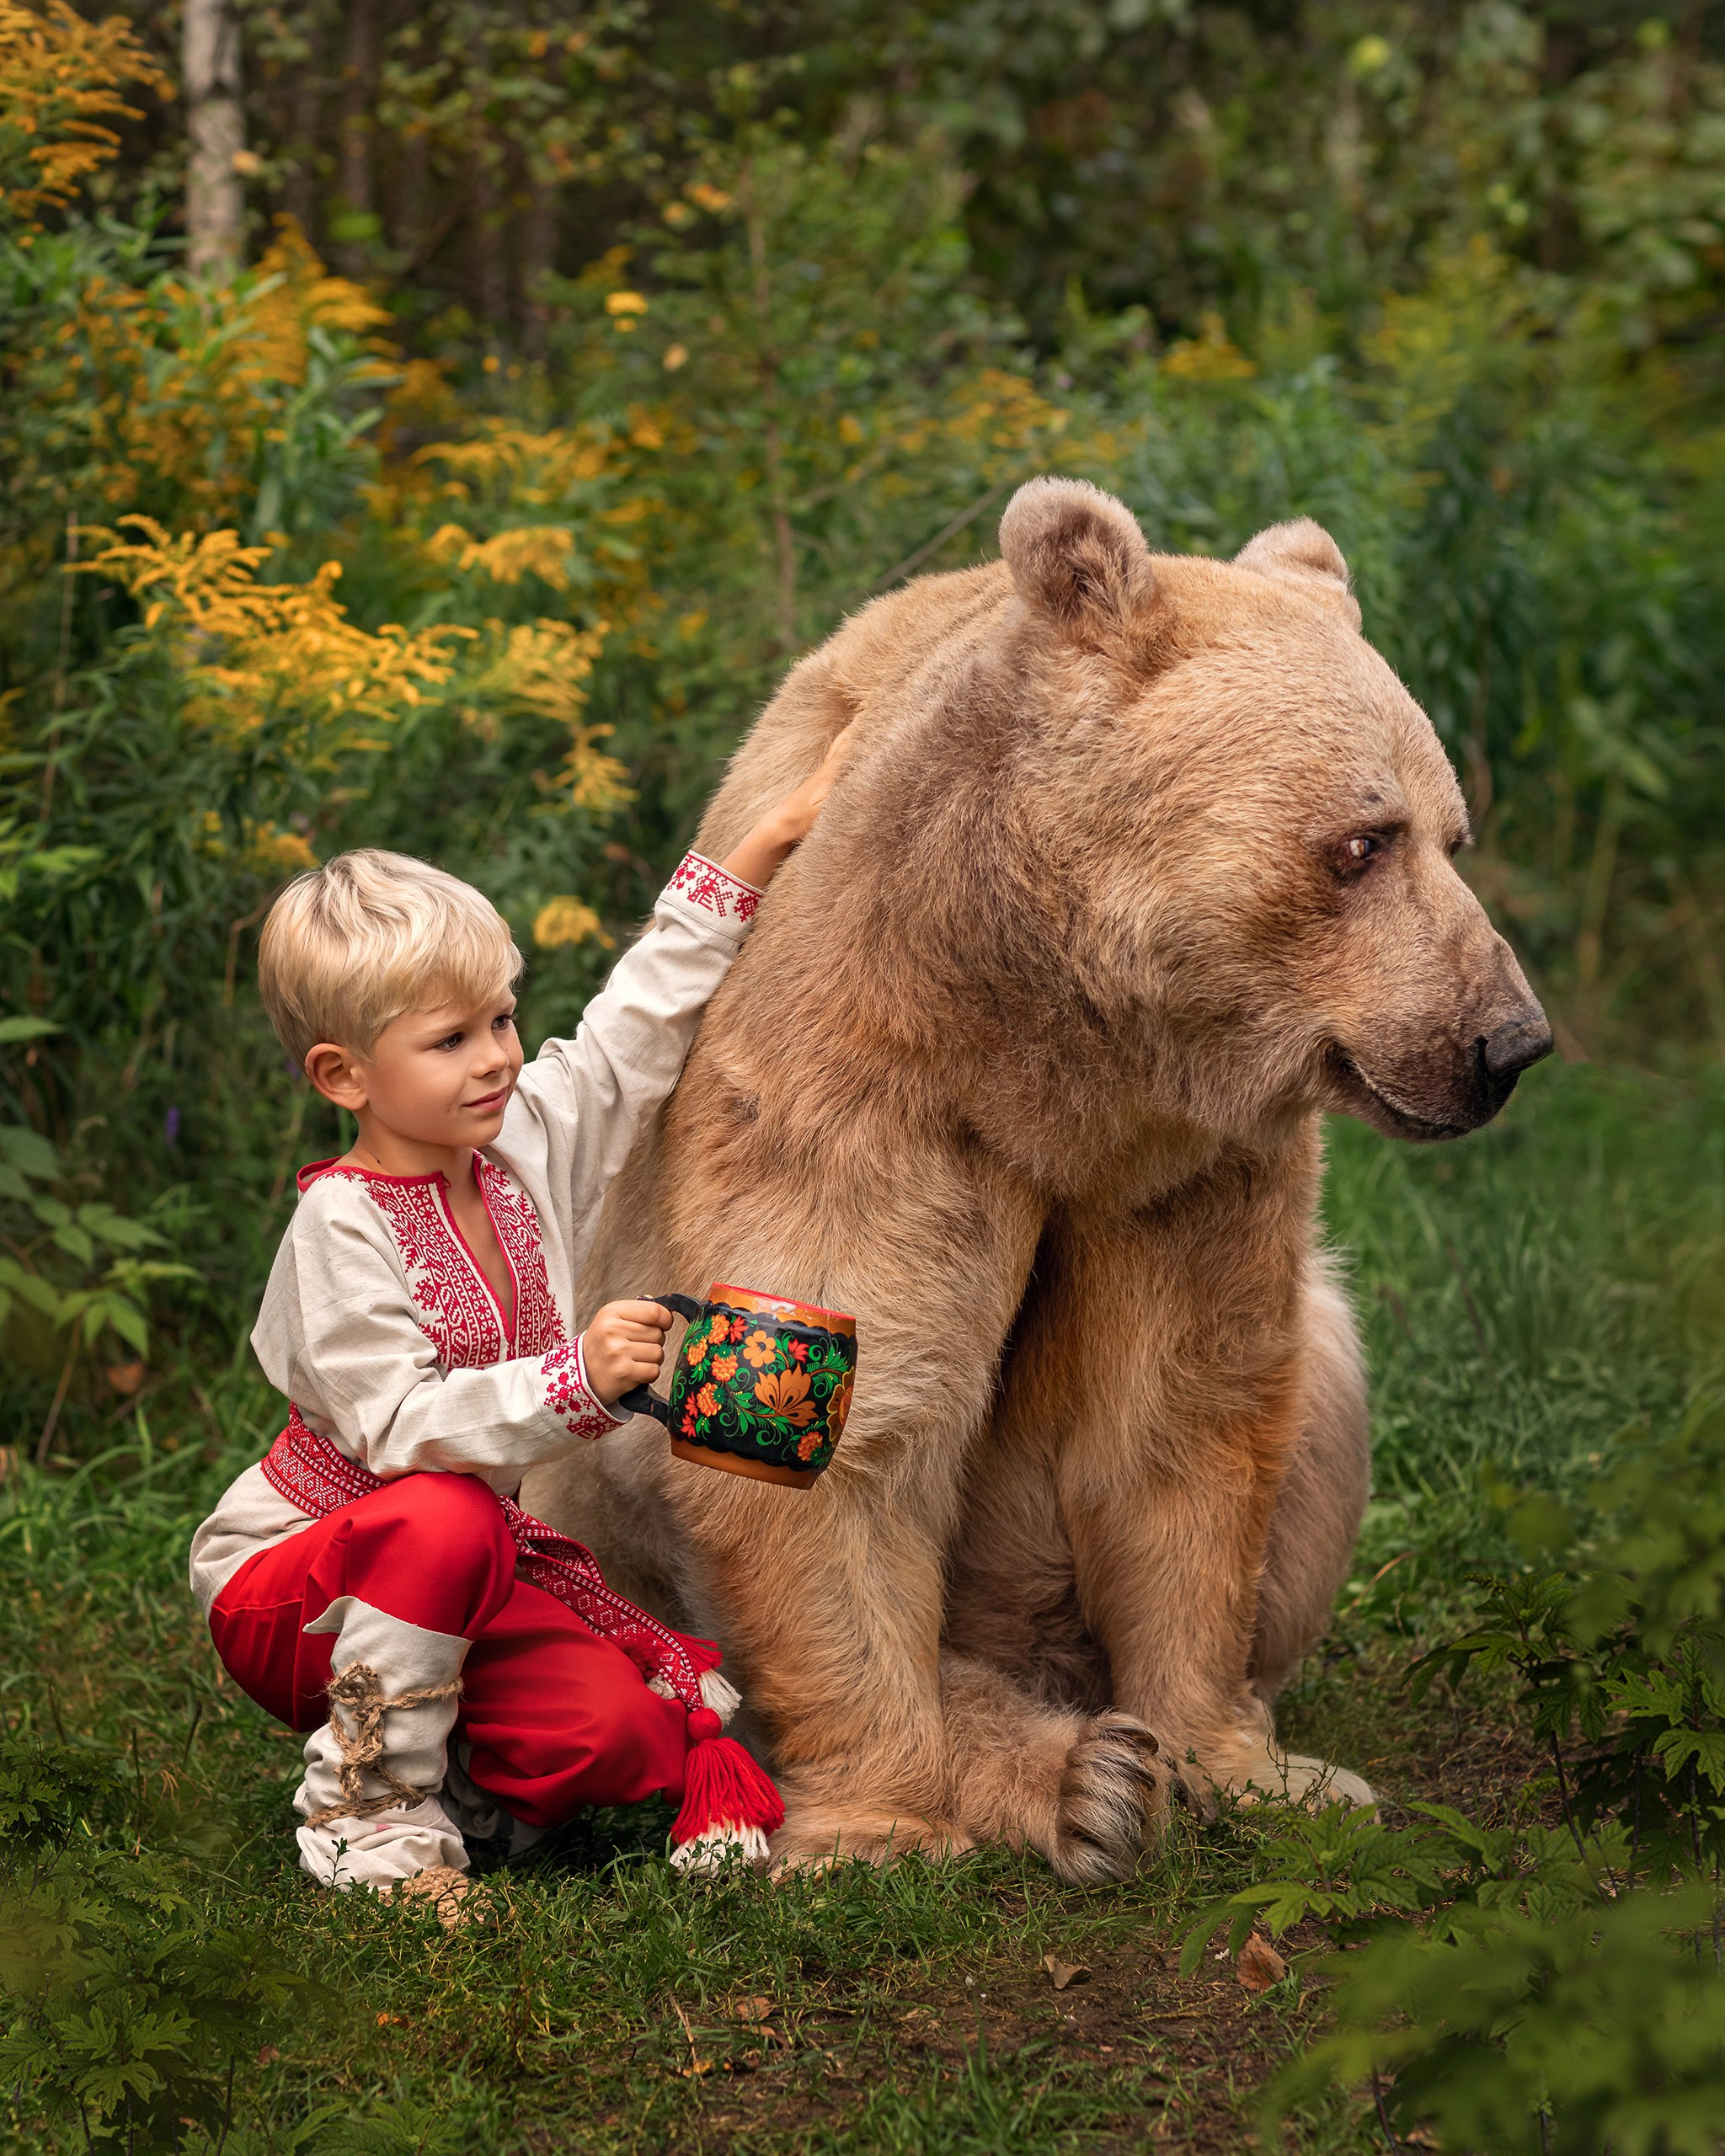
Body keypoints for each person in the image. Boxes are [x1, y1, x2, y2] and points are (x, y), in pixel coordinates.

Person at [188, 740, 847, 1908]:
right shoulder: (339, 1228)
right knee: (441, 1515)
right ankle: (370, 1816)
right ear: (343, 1076)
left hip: (475, 1570)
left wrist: (760, 844)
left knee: (630, 1739)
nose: (497, 1057)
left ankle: (461, 1782)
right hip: (305, 1585)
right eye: (450, 1042)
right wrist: (575, 1381)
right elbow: (396, 1431)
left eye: (500, 1018)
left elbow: (628, 1033)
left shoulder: (521, 1142)